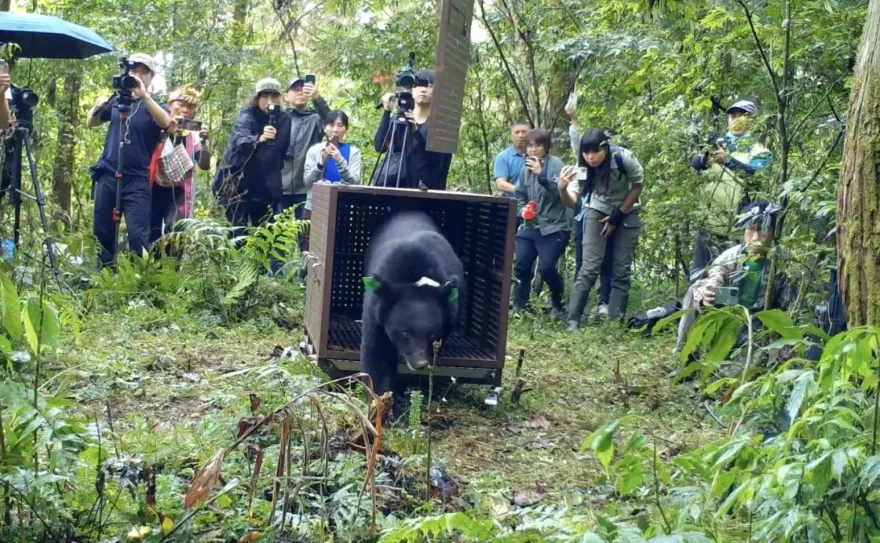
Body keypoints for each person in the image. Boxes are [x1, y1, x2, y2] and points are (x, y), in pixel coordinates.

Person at [87, 53, 173, 267]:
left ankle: (138, 283)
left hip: (136, 179)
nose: (137, 75)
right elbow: (92, 122)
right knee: (103, 232)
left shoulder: (155, 105)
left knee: (138, 237)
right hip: (108, 174)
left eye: (143, 71)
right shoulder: (117, 101)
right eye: (134, 70)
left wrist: (144, 96)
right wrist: (98, 104)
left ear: (151, 77)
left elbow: (165, 122)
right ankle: (104, 278)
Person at [560, 129, 644, 331]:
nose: (591, 157)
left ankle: (615, 324)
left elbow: (637, 186)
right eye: (586, 153)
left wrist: (618, 214)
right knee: (589, 267)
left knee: (620, 270)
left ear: (604, 148)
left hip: (627, 211)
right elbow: (573, 202)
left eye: (595, 152)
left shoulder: (624, 158)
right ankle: (572, 321)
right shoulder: (582, 168)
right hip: (596, 210)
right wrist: (561, 188)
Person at [675, 202, 783, 353]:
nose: (756, 237)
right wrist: (709, 292)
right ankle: (686, 354)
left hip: (764, 321)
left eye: (763, 230)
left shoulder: (784, 260)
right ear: (744, 230)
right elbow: (716, 274)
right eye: (751, 229)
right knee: (695, 290)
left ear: (772, 233)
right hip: (732, 315)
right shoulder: (732, 256)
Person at [690, 100, 771, 280]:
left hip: (737, 231)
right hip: (708, 226)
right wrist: (704, 156)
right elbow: (695, 164)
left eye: (741, 116)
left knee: (728, 282)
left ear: (752, 121)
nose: (736, 120)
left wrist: (729, 161)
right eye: (732, 116)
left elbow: (756, 176)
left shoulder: (759, 151)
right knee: (698, 279)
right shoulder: (718, 144)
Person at [213, 77, 291, 229]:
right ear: (257, 98)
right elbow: (239, 141)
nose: (270, 101)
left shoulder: (284, 119)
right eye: (264, 96)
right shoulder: (247, 115)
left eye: (274, 96)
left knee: (262, 233)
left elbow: (281, 151)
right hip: (237, 181)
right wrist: (259, 138)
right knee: (238, 231)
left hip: (265, 185)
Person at [511, 129, 571, 316]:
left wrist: (541, 174)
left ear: (546, 147)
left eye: (537, 145)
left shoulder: (556, 165)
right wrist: (522, 209)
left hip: (554, 226)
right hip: (530, 225)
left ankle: (558, 303)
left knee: (546, 269)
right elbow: (520, 194)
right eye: (530, 145)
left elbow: (560, 194)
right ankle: (520, 306)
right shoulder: (524, 168)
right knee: (521, 265)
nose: (533, 149)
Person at [566, 104, 616, 317]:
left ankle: (604, 302)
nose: (592, 155)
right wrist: (574, 119)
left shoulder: (615, 165)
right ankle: (580, 306)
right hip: (584, 215)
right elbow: (577, 143)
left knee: (607, 260)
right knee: (584, 261)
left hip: (608, 215)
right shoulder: (583, 165)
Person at [149, 85, 211, 243]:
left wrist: (204, 143)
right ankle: (149, 266)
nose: (185, 110)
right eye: (181, 104)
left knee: (176, 232)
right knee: (151, 232)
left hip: (179, 191)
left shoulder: (195, 134)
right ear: (170, 105)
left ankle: (172, 267)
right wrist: (167, 130)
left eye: (190, 106)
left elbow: (204, 165)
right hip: (153, 187)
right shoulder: (156, 124)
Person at [374, 69, 452, 190]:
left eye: (429, 85)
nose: (423, 89)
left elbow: (438, 161)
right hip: (397, 190)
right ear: (412, 89)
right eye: (418, 85)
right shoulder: (401, 119)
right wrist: (386, 112)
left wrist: (416, 131)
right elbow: (380, 146)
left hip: (427, 194)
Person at [277, 75, 330, 220]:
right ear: (286, 96)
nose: (300, 92)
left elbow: (332, 122)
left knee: (304, 236)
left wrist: (316, 97)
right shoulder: (278, 118)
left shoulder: (315, 119)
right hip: (279, 186)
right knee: (275, 234)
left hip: (306, 187)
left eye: (303, 89)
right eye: (295, 90)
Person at [494, 121, 529, 198]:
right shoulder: (503, 156)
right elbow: (500, 184)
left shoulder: (536, 154)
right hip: (512, 202)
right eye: (517, 132)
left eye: (524, 132)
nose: (520, 135)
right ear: (512, 136)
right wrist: (520, 191)